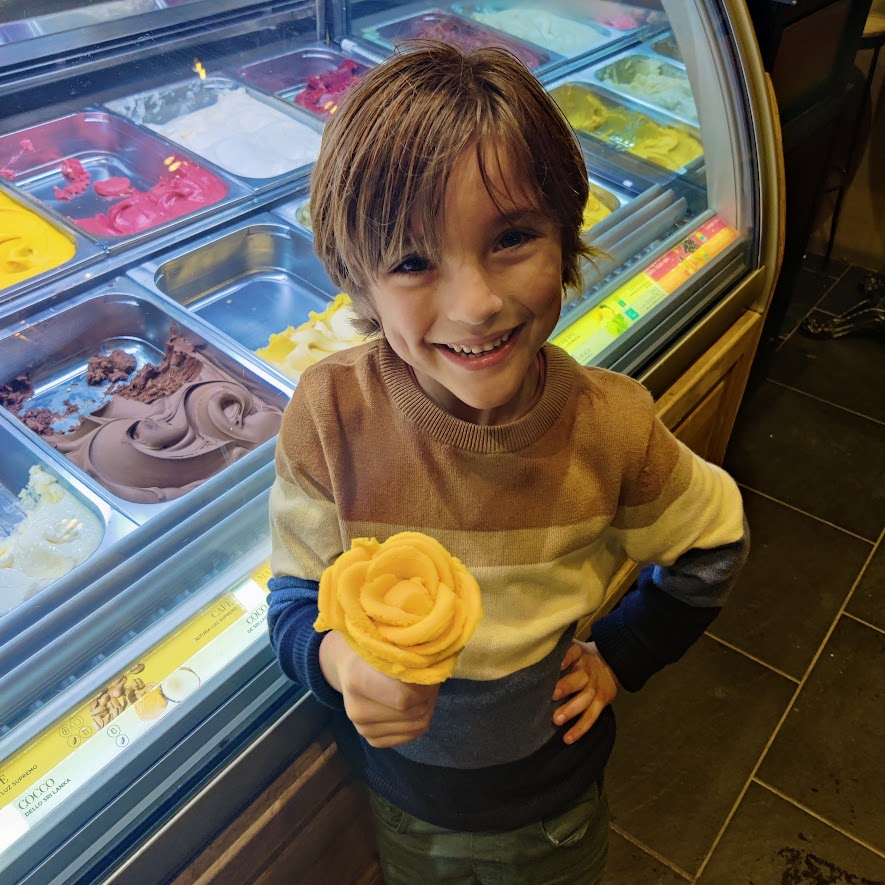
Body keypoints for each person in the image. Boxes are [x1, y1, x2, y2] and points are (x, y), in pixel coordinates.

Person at [267, 41, 748, 885]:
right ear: (358, 282)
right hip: (406, 800)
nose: (476, 302)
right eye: (413, 260)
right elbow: (294, 598)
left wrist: (621, 657)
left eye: (512, 237)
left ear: (565, 236)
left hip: (551, 803)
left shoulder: (610, 427)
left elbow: (716, 540)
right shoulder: (329, 415)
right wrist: (340, 662)